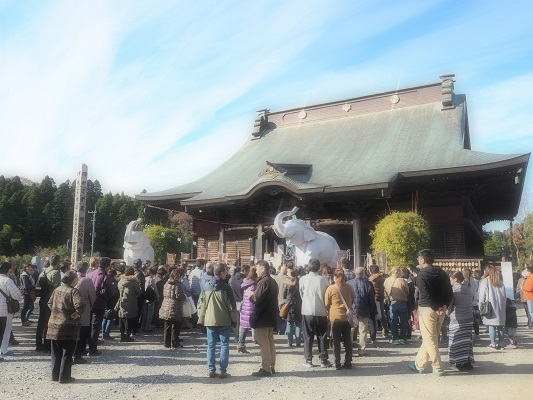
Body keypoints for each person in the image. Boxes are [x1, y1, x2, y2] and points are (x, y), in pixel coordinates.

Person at [409, 249, 452, 376]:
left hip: (428, 309)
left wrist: (435, 307)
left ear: (422, 259)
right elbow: (449, 291)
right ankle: (419, 364)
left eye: (418, 259)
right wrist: (444, 305)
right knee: (431, 338)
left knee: (431, 340)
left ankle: (437, 367)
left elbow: (425, 294)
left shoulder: (422, 275)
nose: (418, 261)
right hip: (441, 309)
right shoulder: (442, 272)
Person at [198, 263, 236, 379]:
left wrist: (201, 317)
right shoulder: (227, 288)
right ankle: (223, 370)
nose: (227, 273)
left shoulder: (206, 287)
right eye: (225, 271)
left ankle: (211, 370)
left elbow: (201, 303)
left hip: (210, 321)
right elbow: (232, 306)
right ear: (222, 273)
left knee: (211, 345)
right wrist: (234, 320)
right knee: (224, 345)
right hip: (224, 321)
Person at [46, 270, 85, 383]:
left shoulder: (57, 290)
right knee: (67, 353)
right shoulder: (74, 292)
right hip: (68, 326)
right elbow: (81, 305)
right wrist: (77, 313)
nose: (77, 279)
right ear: (73, 280)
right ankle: (64, 377)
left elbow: (49, 303)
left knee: (55, 353)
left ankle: (55, 375)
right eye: (76, 278)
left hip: (53, 325)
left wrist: (57, 312)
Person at [247, 260, 278, 377]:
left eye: (257, 268)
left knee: (264, 342)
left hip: (263, 316)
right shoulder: (272, 281)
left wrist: (250, 295)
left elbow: (256, 299)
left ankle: (266, 368)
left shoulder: (263, 282)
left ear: (263, 269)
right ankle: (272, 365)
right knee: (270, 342)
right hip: (271, 315)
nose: (256, 270)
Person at [299, 258, 332, 368]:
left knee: (308, 336)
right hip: (321, 310)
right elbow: (326, 297)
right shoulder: (324, 280)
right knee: (322, 336)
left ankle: (308, 359)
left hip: (307, 310)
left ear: (308, 267)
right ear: (319, 267)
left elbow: (301, 294)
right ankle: (323, 359)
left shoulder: (303, 279)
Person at [325, 268, 355, 370]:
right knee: (347, 340)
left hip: (335, 318)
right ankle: (348, 361)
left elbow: (326, 303)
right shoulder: (349, 287)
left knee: (336, 341)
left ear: (334, 277)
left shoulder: (331, 289)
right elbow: (352, 298)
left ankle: (337, 362)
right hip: (346, 317)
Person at [88, 257, 117, 355]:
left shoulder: (90, 274)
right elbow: (112, 292)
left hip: (88, 303)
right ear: (108, 266)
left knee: (87, 325)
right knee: (95, 327)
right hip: (99, 303)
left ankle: (83, 347)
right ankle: (92, 349)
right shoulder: (106, 277)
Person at [447, 271, 474, 371]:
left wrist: (447, 314)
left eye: (451, 278)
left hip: (457, 319)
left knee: (456, 342)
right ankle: (467, 363)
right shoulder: (469, 289)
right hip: (469, 318)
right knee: (467, 342)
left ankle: (457, 362)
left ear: (455, 279)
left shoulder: (453, 291)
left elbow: (449, 307)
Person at [347, 267, 376, 355]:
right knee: (363, 330)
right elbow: (371, 299)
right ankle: (361, 350)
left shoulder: (349, 283)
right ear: (363, 274)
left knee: (351, 329)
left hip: (352, 309)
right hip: (364, 309)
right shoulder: (367, 284)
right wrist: (371, 308)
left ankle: (349, 349)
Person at [36, 255, 61, 352]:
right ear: (58, 262)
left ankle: (38, 344)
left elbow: (37, 285)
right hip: (50, 300)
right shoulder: (55, 273)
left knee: (41, 323)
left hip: (42, 299)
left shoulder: (44, 271)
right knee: (48, 323)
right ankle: (46, 345)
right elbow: (56, 289)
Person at [479, 265, 507, 350]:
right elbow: (504, 294)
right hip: (500, 306)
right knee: (500, 325)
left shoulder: (485, 281)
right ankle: (502, 343)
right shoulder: (500, 281)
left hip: (490, 305)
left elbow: (482, 295)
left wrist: (480, 305)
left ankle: (493, 343)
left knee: (491, 324)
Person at [0, 261, 23, 360]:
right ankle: (3, 350)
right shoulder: (7, 280)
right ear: (8, 270)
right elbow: (17, 295)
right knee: (5, 329)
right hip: (4, 309)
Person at [74, 261, 96, 364]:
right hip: (84, 306)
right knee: (82, 330)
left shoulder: (72, 278)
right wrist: (91, 305)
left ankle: (75, 351)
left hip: (72, 307)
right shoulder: (87, 281)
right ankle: (79, 352)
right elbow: (92, 296)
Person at [159, 268, 186, 349]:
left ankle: (166, 343)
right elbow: (179, 296)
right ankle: (174, 343)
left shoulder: (166, 283)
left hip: (166, 305)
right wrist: (184, 297)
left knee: (167, 325)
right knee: (175, 325)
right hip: (174, 306)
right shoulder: (177, 284)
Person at [384, 267, 410, 345]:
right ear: (399, 272)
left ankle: (395, 338)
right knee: (403, 321)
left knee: (393, 321)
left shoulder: (387, 280)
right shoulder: (402, 280)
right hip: (402, 302)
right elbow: (407, 291)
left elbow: (384, 291)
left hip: (392, 302)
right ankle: (402, 338)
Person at [116, 267, 141, 342]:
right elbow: (139, 292)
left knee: (122, 319)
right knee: (130, 320)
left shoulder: (120, 281)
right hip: (131, 303)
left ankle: (122, 336)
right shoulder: (133, 282)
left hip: (121, 302)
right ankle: (128, 336)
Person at [238, 267, 257, 354]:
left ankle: (241, 345)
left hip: (245, 307)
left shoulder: (246, 284)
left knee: (243, 327)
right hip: (251, 308)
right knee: (255, 326)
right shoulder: (254, 286)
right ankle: (259, 342)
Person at [368, 264, 389, 338]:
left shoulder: (371, 279)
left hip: (374, 297)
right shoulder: (381, 277)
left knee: (373, 316)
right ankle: (385, 330)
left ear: (370, 271)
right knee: (382, 315)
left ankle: (373, 333)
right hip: (381, 297)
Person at [283, 268, 303, 347]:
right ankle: (298, 342)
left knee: (289, 323)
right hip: (298, 304)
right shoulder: (300, 281)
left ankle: (290, 342)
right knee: (298, 323)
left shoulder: (287, 283)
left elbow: (284, 294)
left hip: (289, 305)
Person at [141, 266, 159, 332]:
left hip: (145, 297)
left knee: (145, 313)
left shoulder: (144, 278)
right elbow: (155, 289)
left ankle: (143, 326)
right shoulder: (151, 279)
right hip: (150, 297)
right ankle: (148, 327)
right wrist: (157, 296)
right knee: (150, 313)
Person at [132, 258, 146, 335]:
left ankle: (133, 329)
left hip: (133, 295)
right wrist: (141, 294)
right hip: (139, 296)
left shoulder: (132, 272)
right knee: (137, 313)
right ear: (140, 265)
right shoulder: (139, 274)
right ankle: (135, 329)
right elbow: (140, 285)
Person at [273, 264, 288, 335]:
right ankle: (284, 330)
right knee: (284, 315)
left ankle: (278, 329)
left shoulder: (275, 278)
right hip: (284, 299)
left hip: (276, 299)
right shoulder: (287, 278)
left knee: (278, 315)